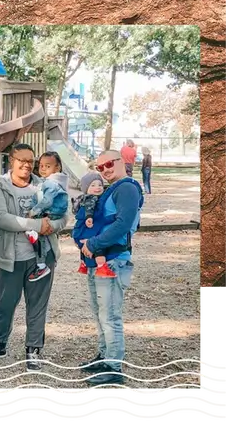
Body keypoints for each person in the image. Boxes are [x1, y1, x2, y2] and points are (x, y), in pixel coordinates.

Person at [0, 143, 69, 372]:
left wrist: (51, 226)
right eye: (21, 160)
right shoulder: (0, 186)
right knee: (5, 303)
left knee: (37, 304)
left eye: (30, 161)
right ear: (11, 160)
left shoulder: (44, 183)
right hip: (10, 256)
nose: (26, 165)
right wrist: (36, 224)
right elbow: (0, 218)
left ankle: (33, 348)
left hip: (41, 255)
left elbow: (63, 214)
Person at [78, 150, 143, 386]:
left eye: (108, 164)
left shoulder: (127, 188)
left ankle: (114, 366)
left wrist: (94, 243)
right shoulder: (111, 189)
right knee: (100, 312)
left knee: (110, 315)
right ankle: (104, 356)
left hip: (113, 260)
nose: (104, 169)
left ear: (121, 162)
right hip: (98, 259)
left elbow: (123, 223)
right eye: (100, 167)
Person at [25, 151, 69, 281]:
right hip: (53, 214)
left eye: (48, 166)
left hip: (51, 214)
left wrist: (33, 211)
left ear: (57, 168)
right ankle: (42, 263)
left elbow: (47, 201)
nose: (43, 169)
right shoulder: (60, 182)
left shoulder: (51, 183)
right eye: (41, 166)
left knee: (38, 234)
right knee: (41, 237)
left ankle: (42, 263)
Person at [72, 172, 119, 278]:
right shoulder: (91, 199)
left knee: (84, 248)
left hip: (79, 232)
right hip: (85, 231)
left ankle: (83, 264)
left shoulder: (84, 199)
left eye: (100, 185)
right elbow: (94, 213)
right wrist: (114, 217)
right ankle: (102, 267)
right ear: (86, 188)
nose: (97, 188)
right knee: (98, 246)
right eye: (93, 185)